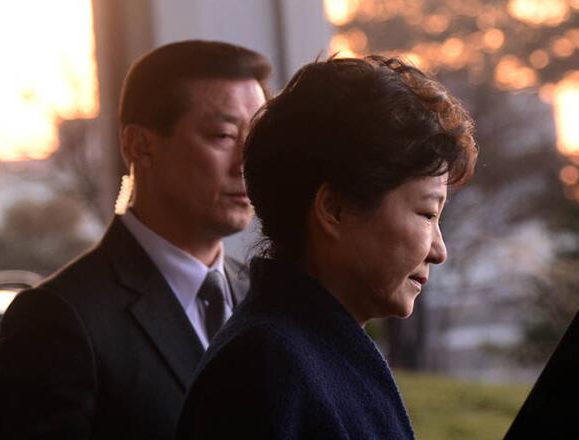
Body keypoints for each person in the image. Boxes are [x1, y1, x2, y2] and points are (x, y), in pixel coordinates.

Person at [176, 55, 478, 439]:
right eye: (426, 213)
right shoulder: (268, 368)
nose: (439, 250)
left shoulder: (300, 351)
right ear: (334, 209)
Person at [0, 40, 270, 439]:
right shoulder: (59, 318)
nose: (248, 162)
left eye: (257, 138)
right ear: (139, 146)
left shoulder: (264, 295)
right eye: (224, 135)